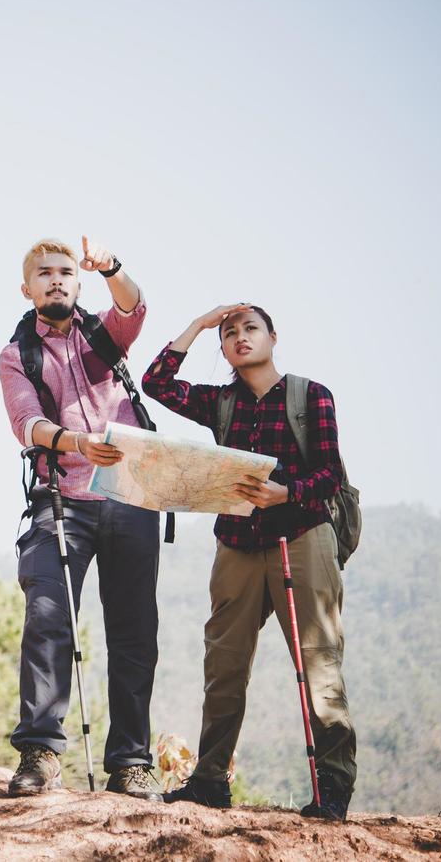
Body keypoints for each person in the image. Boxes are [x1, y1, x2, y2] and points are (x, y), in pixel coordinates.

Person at [141, 303, 356, 821]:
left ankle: (333, 790)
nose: (240, 337)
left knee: (316, 663)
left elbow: (329, 474)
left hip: (301, 536)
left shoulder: (311, 396)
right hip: (236, 542)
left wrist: (287, 494)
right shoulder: (220, 402)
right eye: (230, 333)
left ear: (273, 338)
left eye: (250, 329)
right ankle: (211, 782)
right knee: (224, 666)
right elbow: (156, 383)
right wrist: (198, 325)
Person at [0, 237, 164, 799]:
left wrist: (112, 268)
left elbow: (132, 310)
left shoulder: (102, 335)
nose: (57, 280)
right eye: (44, 273)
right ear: (28, 287)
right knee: (48, 615)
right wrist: (73, 441)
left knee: (134, 630)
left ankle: (131, 764)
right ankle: (40, 755)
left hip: (130, 495)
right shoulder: (17, 353)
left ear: (78, 280)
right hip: (60, 497)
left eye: (66, 272)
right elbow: (26, 423)